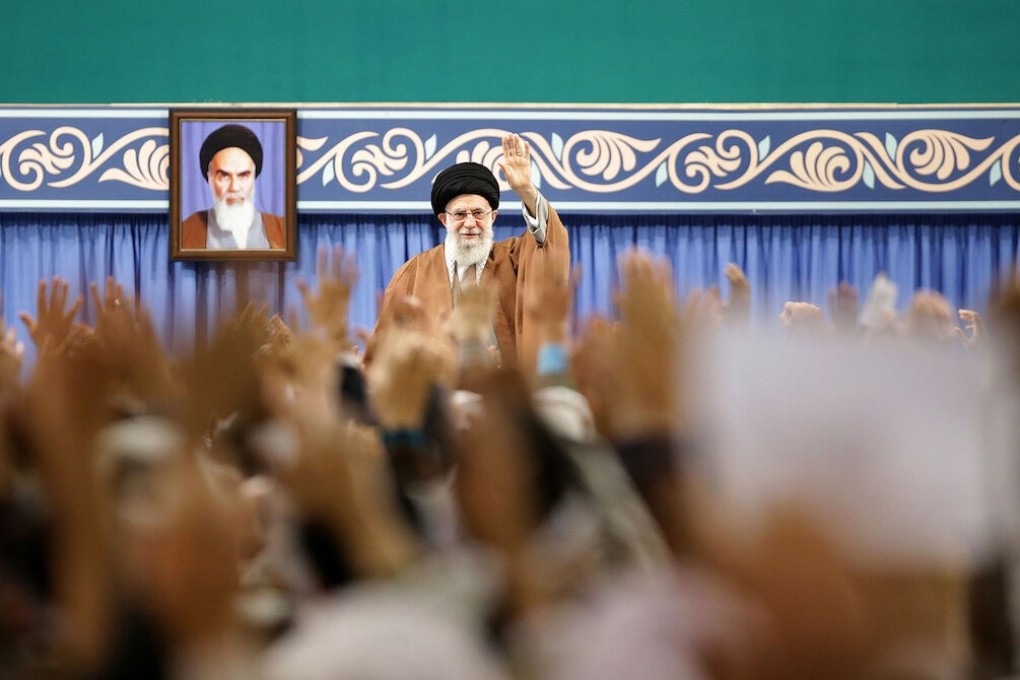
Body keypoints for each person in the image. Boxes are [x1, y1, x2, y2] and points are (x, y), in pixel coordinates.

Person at [366, 134, 569, 374]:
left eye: (478, 213)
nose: (470, 223)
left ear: (493, 217)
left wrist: (527, 191)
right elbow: (385, 353)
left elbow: (548, 246)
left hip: (503, 392)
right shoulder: (415, 273)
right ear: (445, 219)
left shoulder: (514, 258)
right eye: (460, 214)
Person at [181, 124, 286, 250]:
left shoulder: (282, 230)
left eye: (243, 175)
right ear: (210, 178)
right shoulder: (186, 232)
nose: (234, 187)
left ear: (254, 177)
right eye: (224, 176)